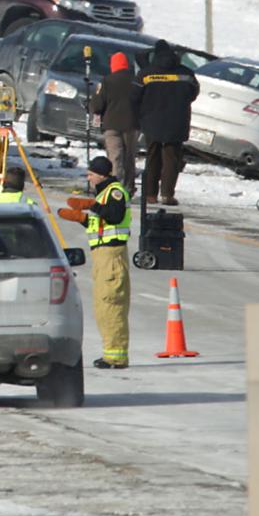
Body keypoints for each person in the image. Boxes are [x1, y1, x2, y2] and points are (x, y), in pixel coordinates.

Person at [57, 155, 132, 369]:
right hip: (102, 255)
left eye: (90, 174)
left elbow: (114, 217)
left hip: (111, 255)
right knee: (102, 307)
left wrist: (91, 205)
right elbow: (102, 225)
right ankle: (111, 354)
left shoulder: (114, 192)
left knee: (111, 305)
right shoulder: (103, 194)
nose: (88, 178)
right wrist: (83, 219)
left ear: (101, 174)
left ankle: (116, 356)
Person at [135, 39, 199, 206]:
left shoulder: (146, 74)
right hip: (177, 122)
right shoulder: (187, 74)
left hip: (152, 121)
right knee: (172, 159)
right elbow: (193, 94)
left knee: (153, 156)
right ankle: (167, 195)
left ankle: (150, 194)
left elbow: (135, 96)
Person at [90, 51, 140, 194]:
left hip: (111, 125)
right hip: (131, 125)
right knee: (129, 157)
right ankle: (129, 187)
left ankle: (114, 188)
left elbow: (98, 105)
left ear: (113, 65)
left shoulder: (107, 81)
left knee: (114, 157)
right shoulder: (136, 81)